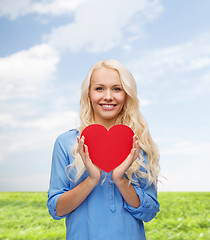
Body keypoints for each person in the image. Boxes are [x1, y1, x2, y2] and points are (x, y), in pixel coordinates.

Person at [47, 59, 160, 240]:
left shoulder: (139, 144)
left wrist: (120, 180)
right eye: (99, 88)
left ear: (127, 95)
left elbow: (149, 212)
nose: (108, 96)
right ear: (88, 95)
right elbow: (56, 209)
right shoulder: (66, 142)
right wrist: (92, 179)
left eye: (117, 89)